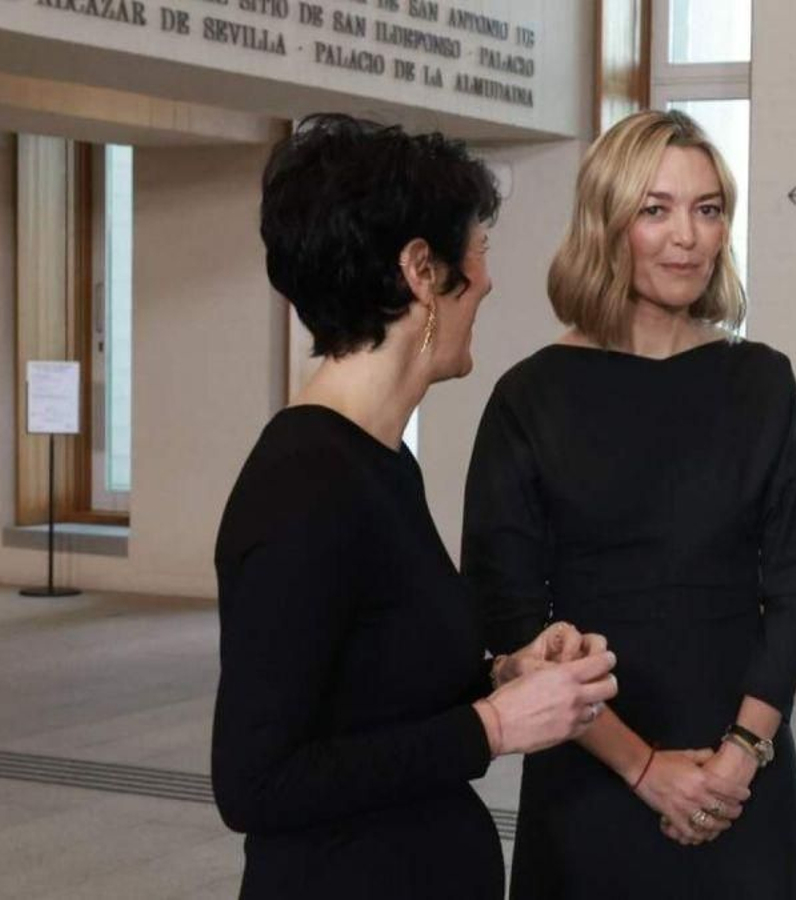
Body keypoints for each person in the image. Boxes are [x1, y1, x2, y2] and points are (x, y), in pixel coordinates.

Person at [211, 114, 618, 899]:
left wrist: (504, 675)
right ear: (420, 271)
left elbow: (372, 691)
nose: (491, 280)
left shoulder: (382, 463)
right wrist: (494, 727)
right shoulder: (300, 487)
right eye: (480, 251)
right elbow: (256, 782)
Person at [461, 109, 796, 900]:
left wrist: (741, 753)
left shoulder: (763, 382)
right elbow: (509, 617)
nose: (687, 237)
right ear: (607, 223)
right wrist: (642, 769)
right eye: (655, 210)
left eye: (708, 209)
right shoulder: (529, 397)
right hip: (592, 772)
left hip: (744, 772)